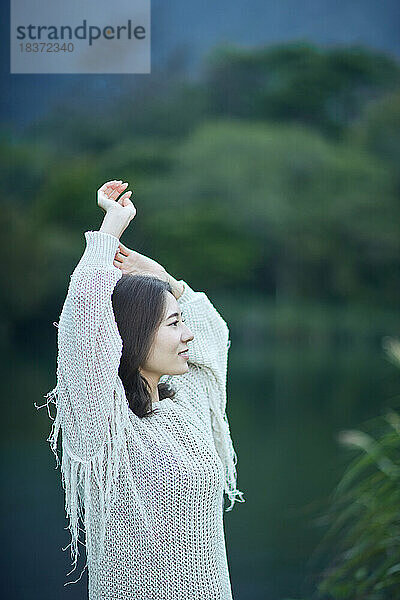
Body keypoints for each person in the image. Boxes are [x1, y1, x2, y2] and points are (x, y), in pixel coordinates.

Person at [36, 180, 245, 599]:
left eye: (180, 321)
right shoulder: (107, 428)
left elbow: (214, 335)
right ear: (132, 335)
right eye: (172, 324)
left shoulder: (183, 407)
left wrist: (165, 280)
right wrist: (112, 225)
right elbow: (83, 324)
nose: (186, 335)